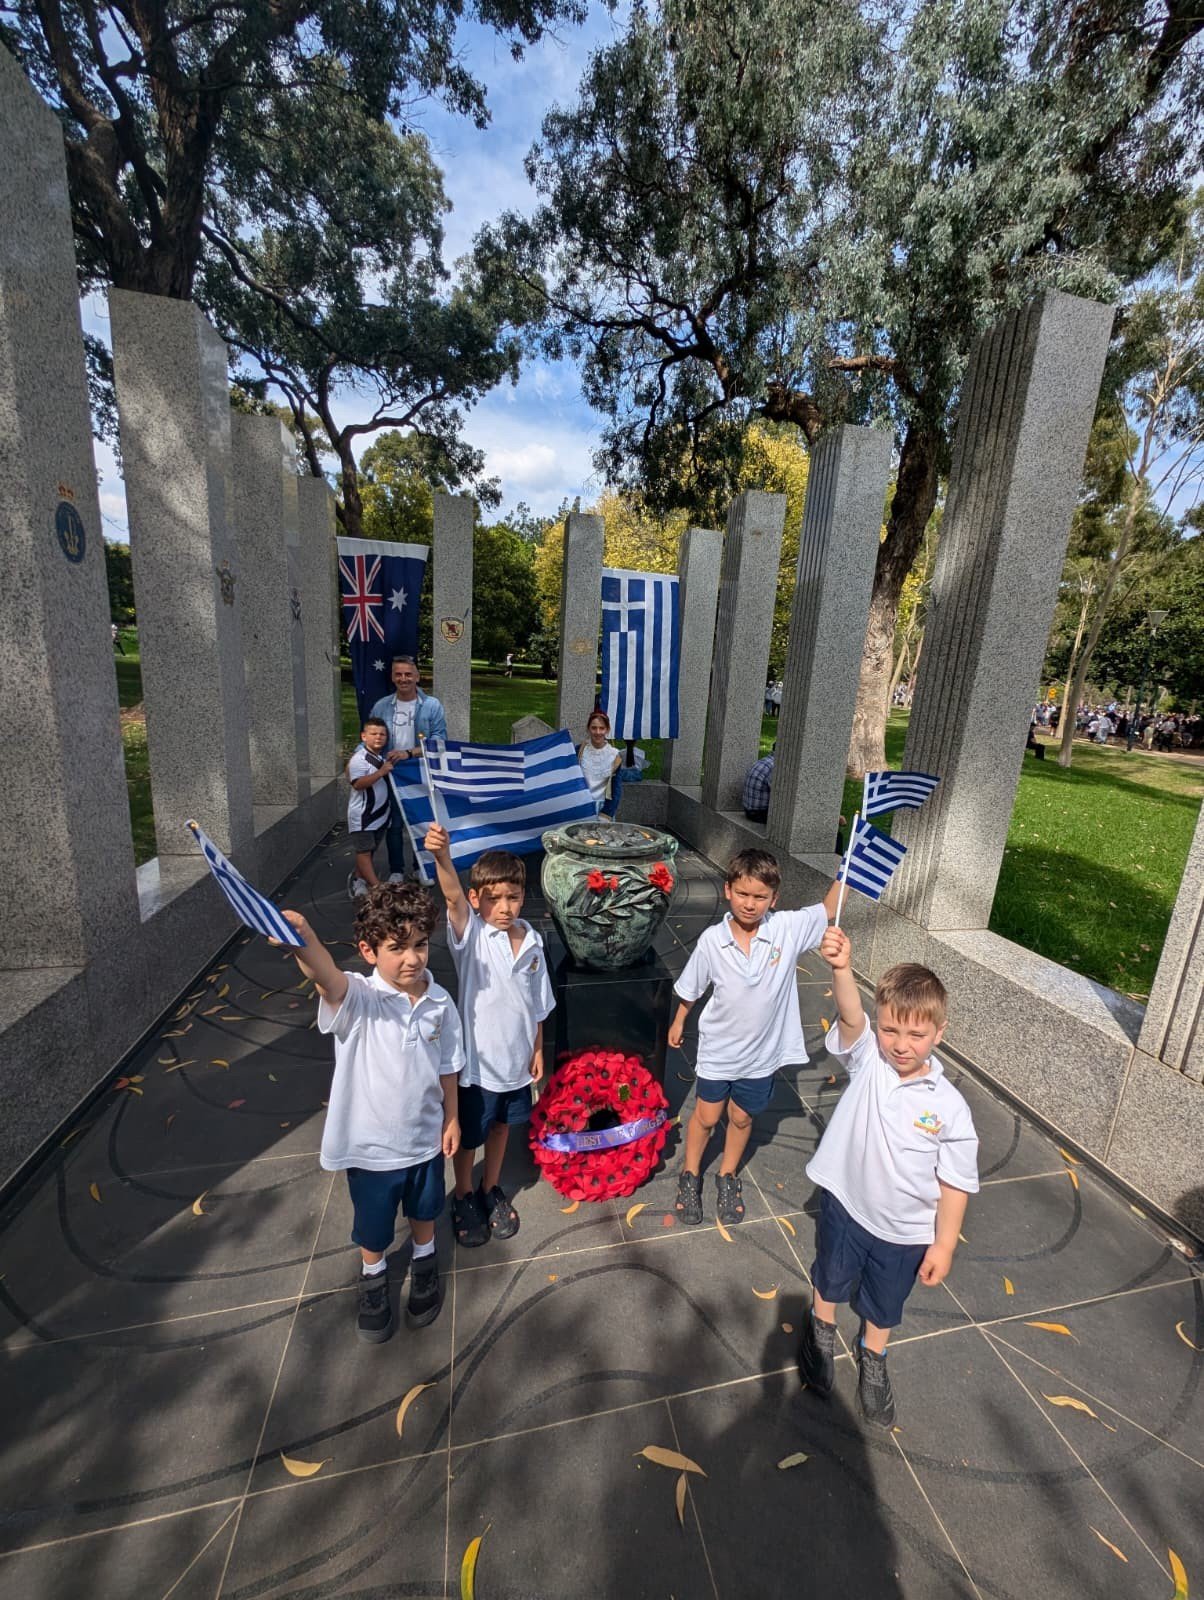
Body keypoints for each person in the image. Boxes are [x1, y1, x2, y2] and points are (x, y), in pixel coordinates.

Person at [798, 926, 978, 1427]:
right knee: (831, 1276)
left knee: (885, 1301)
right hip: (848, 1207)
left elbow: (955, 1182)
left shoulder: (950, 1108)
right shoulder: (869, 1062)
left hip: (906, 1232)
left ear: (938, 1034)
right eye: (891, 1030)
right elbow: (851, 1017)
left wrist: (943, 1246)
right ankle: (821, 1325)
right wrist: (840, 967)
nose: (900, 1044)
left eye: (916, 1034)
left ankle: (873, 1356)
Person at [270, 884, 463, 1345]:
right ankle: (373, 1278)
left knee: (425, 1209)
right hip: (371, 1150)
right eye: (396, 948)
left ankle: (425, 1259)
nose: (412, 959)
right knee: (373, 1227)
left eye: (419, 945)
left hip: (423, 1141)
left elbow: (449, 1065)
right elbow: (326, 978)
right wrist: (304, 939)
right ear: (369, 950)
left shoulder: (440, 1003)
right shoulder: (359, 998)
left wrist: (451, 1117)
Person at [668, 849, 841, 1227]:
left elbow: (828, 908)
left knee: (743, 1117)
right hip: (719, 1050)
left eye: (760, 897)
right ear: (728, 890)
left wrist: (851, 867)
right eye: (743, 894)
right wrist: (680, 1019)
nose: (750, 904)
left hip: (762, 1055)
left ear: (774, 899)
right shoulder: (713, 941)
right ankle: (690, 1173)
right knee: (707, 1115)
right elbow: (693, 985)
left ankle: (727, 1175)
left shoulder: (785, 929)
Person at [424, 823, 555, 1246]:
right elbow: (451, 896)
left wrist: (537, 1048)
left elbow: (537, 1004)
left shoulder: (532, 940)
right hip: (478, 1067)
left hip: (516, 1063)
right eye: (494, 898)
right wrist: (443, 858)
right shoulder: (472, 937)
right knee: (470, 1135)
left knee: (502, 1128)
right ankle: (463, 1194)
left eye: (513, 897)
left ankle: (490, 1187)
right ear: (477, 899)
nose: (504, 907)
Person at [370, 656, 447, 881]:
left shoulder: (432, 705)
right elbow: (371, 736)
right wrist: (358, 760)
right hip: (392, 773)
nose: (403, 679)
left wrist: (409, 753)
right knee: (395, 823)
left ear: (417, 676)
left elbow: (440, 740)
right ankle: (396, 870)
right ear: (393, 677)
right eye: (398, 674)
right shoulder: (381, 706)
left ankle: (421, 868)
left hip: (421, 772)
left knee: (422, 822)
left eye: (408, 674)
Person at [346, 717, 409, 897]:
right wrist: (381, 772)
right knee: (364, 852)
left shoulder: (380, 757)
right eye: (373, 734)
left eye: (382, 734)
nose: (378, 737)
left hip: (378, 816)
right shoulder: (359, 759)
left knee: (368, 851)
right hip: (363, 816)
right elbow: (357, 783)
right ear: (363, 736)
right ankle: (378, 887)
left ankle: (359, 882)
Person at [577, 710, 623, 817]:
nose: (598, 732)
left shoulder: (615, 756)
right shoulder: (579, 751)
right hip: (582, 807)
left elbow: (616, 790)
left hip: (604, 808)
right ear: (588, 729)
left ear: (607, 730)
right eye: (594, 728)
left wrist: (607, 813)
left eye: (601, 728)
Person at [742, 747, 775, 822]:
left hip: (748, 809)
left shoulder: (765, 760)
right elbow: (779, 794)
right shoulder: (775, 766)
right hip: (759, 813)